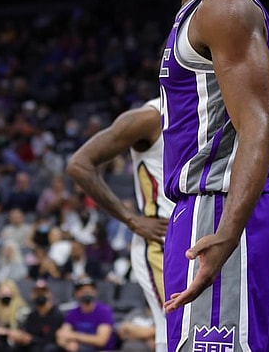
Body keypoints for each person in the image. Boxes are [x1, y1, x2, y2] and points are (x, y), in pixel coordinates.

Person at [153, 0, 269, 351]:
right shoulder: (205, 8)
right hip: (238, 211)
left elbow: (259, 126)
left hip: (221, 209)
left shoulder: (223, 5)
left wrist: (228, 231)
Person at [67, 98, 171, 352]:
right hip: (162, 243)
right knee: (175, 331)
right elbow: (79, 165)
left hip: (203, 237)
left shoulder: (217, 109)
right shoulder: (149, 117)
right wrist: (131, 219)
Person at [55, 276, 117, 351]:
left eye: (90, 289)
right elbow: (61, 335)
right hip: (79, 347)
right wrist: (68, 344)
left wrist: (73, 336)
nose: (87, 292)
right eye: (83, 290)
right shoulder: (73, 312)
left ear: (95, 292)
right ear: (76, 293)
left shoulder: (104, 311)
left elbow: (101, 341)